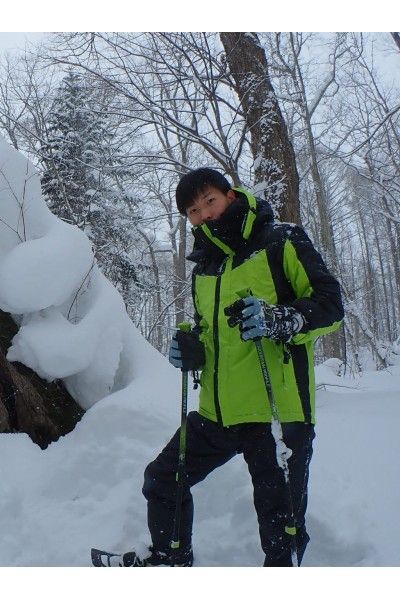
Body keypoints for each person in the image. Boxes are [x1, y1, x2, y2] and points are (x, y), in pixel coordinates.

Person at [103, 168, 343, 567]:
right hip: (218, 412)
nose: (204, 216)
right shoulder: (205, 269)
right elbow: (211, 331)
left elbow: (331, 306)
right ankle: (170, 558)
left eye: (209, 201)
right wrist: (193, 350)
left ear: (230, 195)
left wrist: (283, 319)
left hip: (276, 413)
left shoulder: (281, 241)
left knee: (280, 528)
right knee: (164, 479)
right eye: (193, 211)